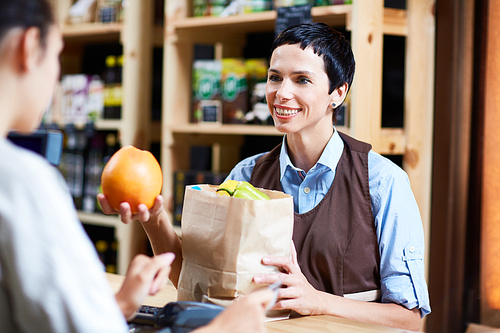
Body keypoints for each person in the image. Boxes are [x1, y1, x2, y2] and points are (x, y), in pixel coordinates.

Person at [99, 23, 431, 331]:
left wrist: (317, 301)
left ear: (338, 93)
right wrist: (154, 218)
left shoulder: (382, 182)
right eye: (275, 77)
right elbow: (195, 276)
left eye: (302, 80)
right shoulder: (245, 176)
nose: (281, 93)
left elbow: (409, 318)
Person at [0, 0, 273, 332]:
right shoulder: (21, 178)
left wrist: (119, 306)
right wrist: (223, 329)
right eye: (58, 54)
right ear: (29, 47)